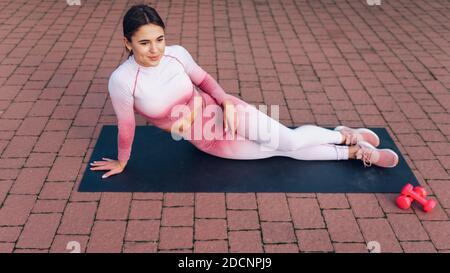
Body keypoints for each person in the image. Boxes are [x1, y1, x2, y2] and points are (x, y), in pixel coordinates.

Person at [90, 4, 399, 179]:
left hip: (227, 113)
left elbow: (206, 81)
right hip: (208, 140)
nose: (155, 49)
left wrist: (226, 104)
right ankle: (353, 151)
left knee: (288, 140)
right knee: (280, 150)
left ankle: (347, 138)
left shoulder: (177, 54)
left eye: (159, 38)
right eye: (144, 42)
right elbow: (128, 127)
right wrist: (122, 161)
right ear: (127, 43)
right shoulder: (122, 80)